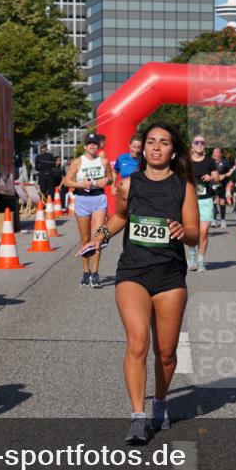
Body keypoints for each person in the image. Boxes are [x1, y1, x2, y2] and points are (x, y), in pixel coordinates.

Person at [79, 121, 200, 444]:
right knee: (137, 342)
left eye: (163, 142)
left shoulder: (184, 188)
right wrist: (98, 237)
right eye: (151, 142)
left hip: (170, 275)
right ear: (143, 148)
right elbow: (120, 217)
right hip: (133, 271)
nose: (157, 147)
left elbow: (193, 233)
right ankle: (137, 417)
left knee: (166, 352)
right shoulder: (129, 184)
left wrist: (181, 231)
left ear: (173, 150)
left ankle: (160, 401)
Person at [64, 133, 114, 288]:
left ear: (98, 146)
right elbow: (66, 181)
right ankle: (85, 272)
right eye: (89, 143)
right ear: (85, 146)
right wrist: (80, 184)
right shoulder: (78, 162)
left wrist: (106, 180)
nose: (92, 145)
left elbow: (111, 179)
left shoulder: (104, 161)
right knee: (85, 239)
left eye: (95, 143)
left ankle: (95, 273)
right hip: (82, 201)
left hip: (99, 199)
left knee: (99, 236)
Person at [188, 135, 219, 272]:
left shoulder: (210, 162)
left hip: (206, 200)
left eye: (202, 142)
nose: (199, 144)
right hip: (190, 201)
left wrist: (211, 176)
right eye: (196, 142)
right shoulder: (186, 161)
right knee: (192, 232)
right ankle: (192, 254)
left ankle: (201, 261)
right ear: (192, 146)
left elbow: (217, 179)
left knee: (204, 232)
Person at [212, 146, 233, 228]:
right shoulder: (210, 162)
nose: (215, 154)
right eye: (214, 152)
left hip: (222, 184)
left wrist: (224, 175)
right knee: (214, 200)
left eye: (217, 152)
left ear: (220, 154)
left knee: (222, 201)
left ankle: (223, 220)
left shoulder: (225, 162)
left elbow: (231, 171)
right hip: (212, 184)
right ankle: (214, 220)